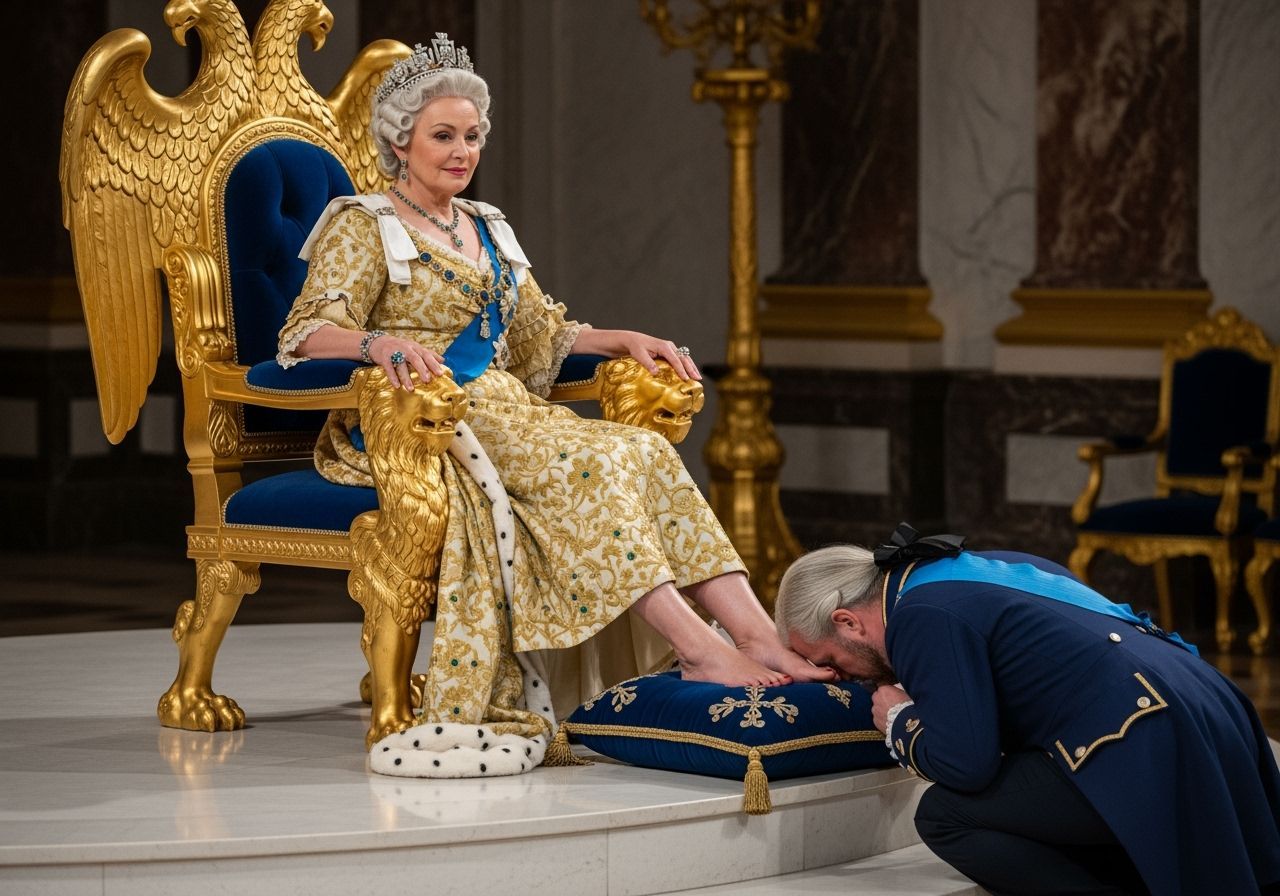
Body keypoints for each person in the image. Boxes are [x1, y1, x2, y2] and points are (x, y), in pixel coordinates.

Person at [277, 34, 830, 769]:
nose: (462, 150)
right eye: (443, 135)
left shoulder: (488, 226)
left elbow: (540, 333)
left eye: (472, 136)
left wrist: (623, 339)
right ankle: (697, 650)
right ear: (400, 139)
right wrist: (377, 344)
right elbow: (308, 330)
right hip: (425, 420)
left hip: (507, 408)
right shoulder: (363, 223)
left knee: (643, 449)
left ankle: (755, 635)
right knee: (595, 464)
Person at [773, 524, 1280, 895]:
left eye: (829, 662)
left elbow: (965, 764)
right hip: (1210, 710)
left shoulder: (919, 617)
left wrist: (901, 721)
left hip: (1142, 742)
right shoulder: (961, 572)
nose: (842, 677)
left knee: (946, 816)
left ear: (848, 622)